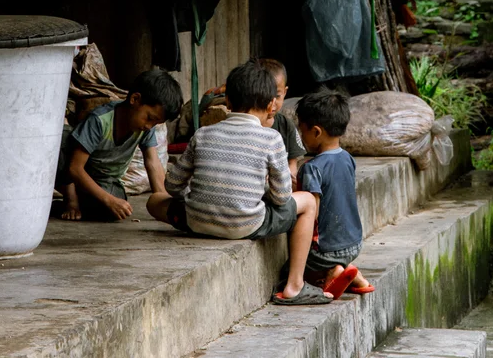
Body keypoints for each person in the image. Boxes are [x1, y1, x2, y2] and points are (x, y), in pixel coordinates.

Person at [148, 61, 333, 305]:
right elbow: (280, 198)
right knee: (308, 201)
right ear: (270, 106)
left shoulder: (202, 134)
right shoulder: (272, 138)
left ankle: (207, 215)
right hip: (246, 224)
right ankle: (295, 285)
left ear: (227, 103)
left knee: (154, 200)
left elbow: (172, 187)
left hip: (196, 222)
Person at [64, 69, 183, 221]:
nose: (149, 126)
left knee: (112, 209)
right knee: (63, 141)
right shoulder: (100, 121)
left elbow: (152, 162)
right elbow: (75, 168)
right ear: (135, 99)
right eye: (149, 118)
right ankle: (71, 199)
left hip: (105, 182)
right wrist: (108, 200)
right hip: (76, 177)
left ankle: (84, 202)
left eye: (155, 123)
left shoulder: (145, 128)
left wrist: (162, 203)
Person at [296, 89, 374, 295]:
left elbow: (312, 212)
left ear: (316, 132)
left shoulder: (312, 168)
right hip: (354, 245)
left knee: (294, 264)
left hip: (326, 252)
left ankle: (334, 271)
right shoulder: (348, 158)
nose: (301, 136)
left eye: (302, 130)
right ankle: (352, 273)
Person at [257, 57, 306, 185]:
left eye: (277, 96)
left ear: (285, 92)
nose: (272, 103)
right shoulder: (250, 125)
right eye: (266, 96)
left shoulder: (286, 125)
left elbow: (292, 163)